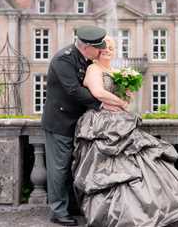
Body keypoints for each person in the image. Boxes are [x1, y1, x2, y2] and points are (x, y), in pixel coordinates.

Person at [72, 37, 178, 227]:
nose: (108, 50)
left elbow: (123, 98)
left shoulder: (115, 71)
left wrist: (127, 93)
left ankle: (150, 209)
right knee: (111, 170)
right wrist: (121, 102)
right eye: (105, 47)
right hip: (101, 123)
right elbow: (98, 93)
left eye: (112, 48)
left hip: (120, 121)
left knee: (142, 162)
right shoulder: (94, 69)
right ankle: (117, 214)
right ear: (97, 50)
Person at [41, 26, 122, 226]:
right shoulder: (63, 60)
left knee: (74, 167)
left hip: (78, 122)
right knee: (59, 169)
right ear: (86, 47)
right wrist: (103, 104)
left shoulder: (86, 59)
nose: (101, 51)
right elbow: (73, 90)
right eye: (98, 48)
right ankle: (58, 211)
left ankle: (71, 206)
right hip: (60, 123)